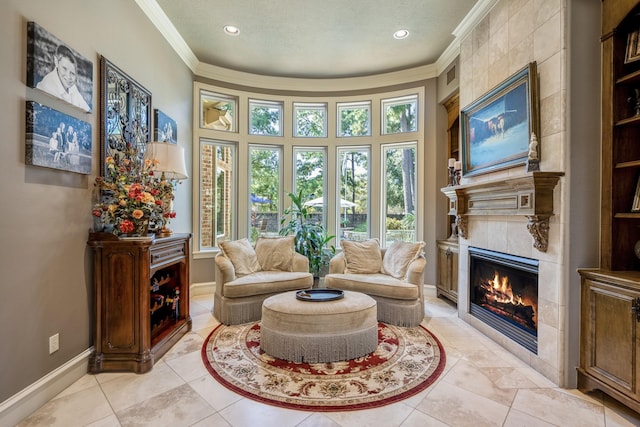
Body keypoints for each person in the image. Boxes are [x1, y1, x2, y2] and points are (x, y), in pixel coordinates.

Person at [36, 44, 90, 111]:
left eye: (72, 73)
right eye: (64, 68)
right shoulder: (48, 85)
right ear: (56, 62)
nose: (68, 76)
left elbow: (86, 109)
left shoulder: (71, 86)